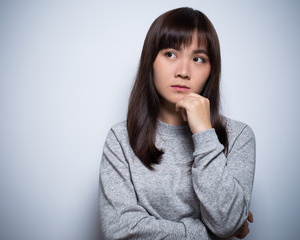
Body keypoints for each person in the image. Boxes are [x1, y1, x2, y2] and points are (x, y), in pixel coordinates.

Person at [99, 7, 255, 240]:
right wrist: (210, 234)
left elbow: (226, 221)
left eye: (198, 59)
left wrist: (204, 133)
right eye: (171, 54)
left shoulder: (239, 136)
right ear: (150, 61)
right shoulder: (121, 138)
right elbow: (121, 231)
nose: (183, 71)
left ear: (211, 70)